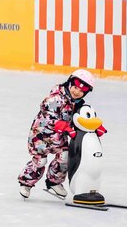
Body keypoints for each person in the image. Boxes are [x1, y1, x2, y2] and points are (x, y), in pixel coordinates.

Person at [18, 70, 96, 199]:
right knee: (40, 161)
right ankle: (25, 183)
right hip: (41, 136)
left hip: (59, 138)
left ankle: (53, 182)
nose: (76, 92)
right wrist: (63, 125)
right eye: (75, 87)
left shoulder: (77, 104)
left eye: (81, 91)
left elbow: (81, 118)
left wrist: (92, 127)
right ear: (69, 83)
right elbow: (48, 113)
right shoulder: (56, 98)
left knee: (65, 157)